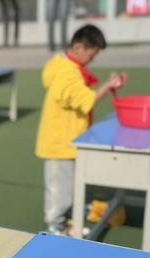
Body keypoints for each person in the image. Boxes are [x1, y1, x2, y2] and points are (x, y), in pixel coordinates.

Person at [35, 24, 123, 235]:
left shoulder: (63, 65)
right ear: (79, 47)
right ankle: (55, 224)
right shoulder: (68, 73)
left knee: (69, 184)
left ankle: (65, 218)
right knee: (60, 189)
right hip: (60, 142)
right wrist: (108, 85)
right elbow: (87, 100)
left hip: (67, 137)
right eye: (92, 55)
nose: (92, 59)